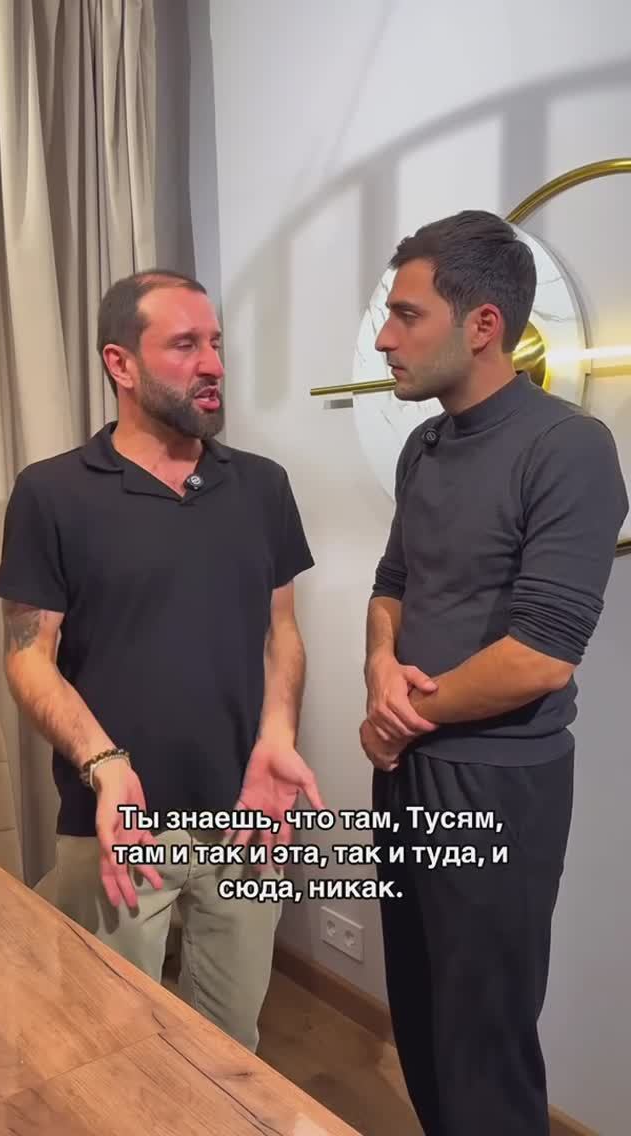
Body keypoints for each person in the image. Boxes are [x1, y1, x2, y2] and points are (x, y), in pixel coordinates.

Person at [0, 269, 322, 1053]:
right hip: (118, 824)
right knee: (114, 1049)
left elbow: (280, 631)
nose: (213, 364)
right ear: (122, 363)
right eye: (184, 345)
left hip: (245, 818)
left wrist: (278, 734)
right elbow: (29, 658)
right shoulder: (52, 493)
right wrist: (105, 764)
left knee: (229, 1044)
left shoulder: (262, 487)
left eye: (215, 343)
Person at [360, 211, 628, 1136]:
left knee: (484, 1039)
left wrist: (400, 715)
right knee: (421, 1015)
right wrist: (380, 668)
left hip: (498, 785)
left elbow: (542, 654)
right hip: (407, 768)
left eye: (407, 315)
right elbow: (392, 585)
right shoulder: (423, 447)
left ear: (482, 324)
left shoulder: (568, 448)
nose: (386, 339)